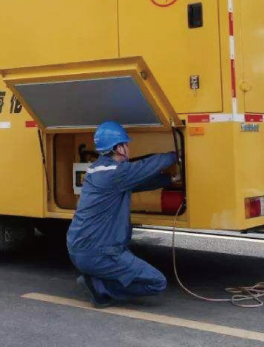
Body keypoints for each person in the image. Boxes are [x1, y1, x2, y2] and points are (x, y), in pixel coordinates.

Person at [67, 121, 180, 308]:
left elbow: (138, 183)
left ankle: (97, 280)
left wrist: (169, 179)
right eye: (126, 144)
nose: (128, 148)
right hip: (99, 253)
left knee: (126, 259)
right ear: (119, 148)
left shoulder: (96, 170)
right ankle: (100, 286)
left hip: (79, 249)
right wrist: (177, 155)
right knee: (157, 283)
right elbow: (147, 165)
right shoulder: (116, 173)